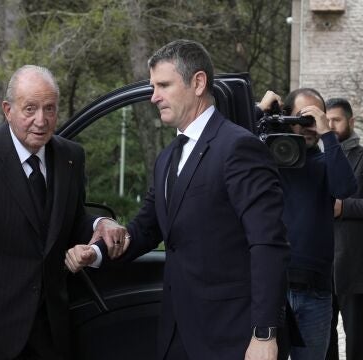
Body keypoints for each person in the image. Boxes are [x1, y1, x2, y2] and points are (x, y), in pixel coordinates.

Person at [65, 39, 290, 360]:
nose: (153, 96)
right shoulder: (168, 157)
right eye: (153, 86)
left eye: (163, 85)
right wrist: (96, 253)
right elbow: (145, 228)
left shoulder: (239, 148)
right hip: (177, 333)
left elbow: (269, 244)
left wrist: (265, 334)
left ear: (198, 83)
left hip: (234, 337)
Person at [0, 65, 96, 360]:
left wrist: (102, 225)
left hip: (53, 331)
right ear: (7, 110)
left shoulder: (71, 156)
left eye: (49, 108)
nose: (41, 120)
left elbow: (73, 222)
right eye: (30, 109)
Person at [256, 89, 357, 360]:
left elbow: (345, 188)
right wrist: (259, 112)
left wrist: (328, 135)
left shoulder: (326, 161)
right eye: (302, 118)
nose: (309, 125)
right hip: (272, 289)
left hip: (316, 292)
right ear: (286, 117)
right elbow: (230, 146)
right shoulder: (264, 158)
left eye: (316, 117)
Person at [325, 97, 363, 360]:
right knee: (324, 344)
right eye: (326, 121)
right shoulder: (317, 158)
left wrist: (343, 208)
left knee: (357, 343)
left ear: (351, 121)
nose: (330, 126)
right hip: (323, 269)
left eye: (336, 120)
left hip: (355, 268)